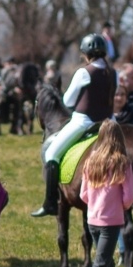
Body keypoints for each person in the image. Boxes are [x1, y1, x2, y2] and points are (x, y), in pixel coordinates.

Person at [32, 34, 116, 217]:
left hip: (85, 122)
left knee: (51, 153)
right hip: (110, 122)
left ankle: (50, 202)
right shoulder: (112, 72)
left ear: (86, 54)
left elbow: (68, 101)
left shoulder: (84, 72)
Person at [69, 119, 133, 267]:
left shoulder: (91, 162)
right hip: (111, 222)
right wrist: (119, 207)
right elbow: (128, 197)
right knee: (100, 266)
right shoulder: (122, 163)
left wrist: (97, 205)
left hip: (92, 220)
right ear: (119, 138)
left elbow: (83, 194)